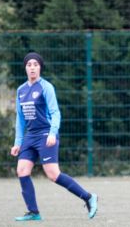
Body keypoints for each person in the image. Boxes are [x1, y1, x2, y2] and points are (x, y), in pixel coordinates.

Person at [10, 52, 98, 221]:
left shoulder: (46, 87)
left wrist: (52, 133)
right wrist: (17, 143)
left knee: (52, 174)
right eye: (29, 65)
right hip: (30, 136)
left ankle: (88, 197)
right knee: (22, 171)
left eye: (35, 64)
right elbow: (20, 119)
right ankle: (34, 213)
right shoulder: (21, 90)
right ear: (25, 68)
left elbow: (55, 113)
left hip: (45, 134)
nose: (32, 68)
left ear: (40, 67)